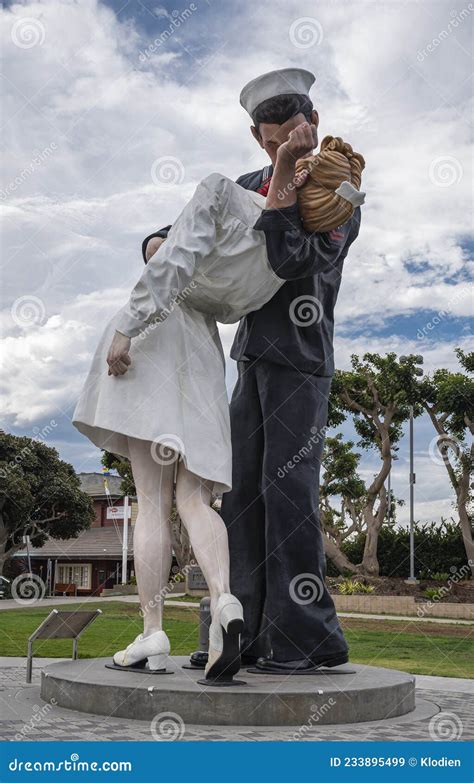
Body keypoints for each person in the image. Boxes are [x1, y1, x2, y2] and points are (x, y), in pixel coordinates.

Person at [143, 68, 364, 675]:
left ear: (313, 124)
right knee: (237, 495)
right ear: (254, 137)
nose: (280, 151)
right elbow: (190, 227)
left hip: (302, 357)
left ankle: (299, 640)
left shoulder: (341, 189)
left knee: (288, 493)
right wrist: (157, 244)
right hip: (250, 358)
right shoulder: (247, 184)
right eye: (268, 143)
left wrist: (288, 187)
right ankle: (231, 633)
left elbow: (293, 259)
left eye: (290, 136)